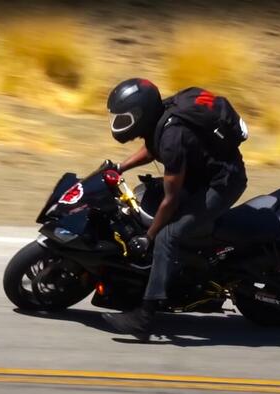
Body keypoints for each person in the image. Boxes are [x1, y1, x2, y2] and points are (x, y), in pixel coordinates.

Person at [102, 78, 248, 341]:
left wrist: (148, 238)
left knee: (167, 235)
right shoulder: (164, 116)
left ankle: (145, 316)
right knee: (144, 196)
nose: (120, 123)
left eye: (125, 118)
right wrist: (120, 167)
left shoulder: (173, 135)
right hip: (202, 172)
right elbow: (151, 147)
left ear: (142, 114)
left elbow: (170, 200)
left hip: (222, 183)